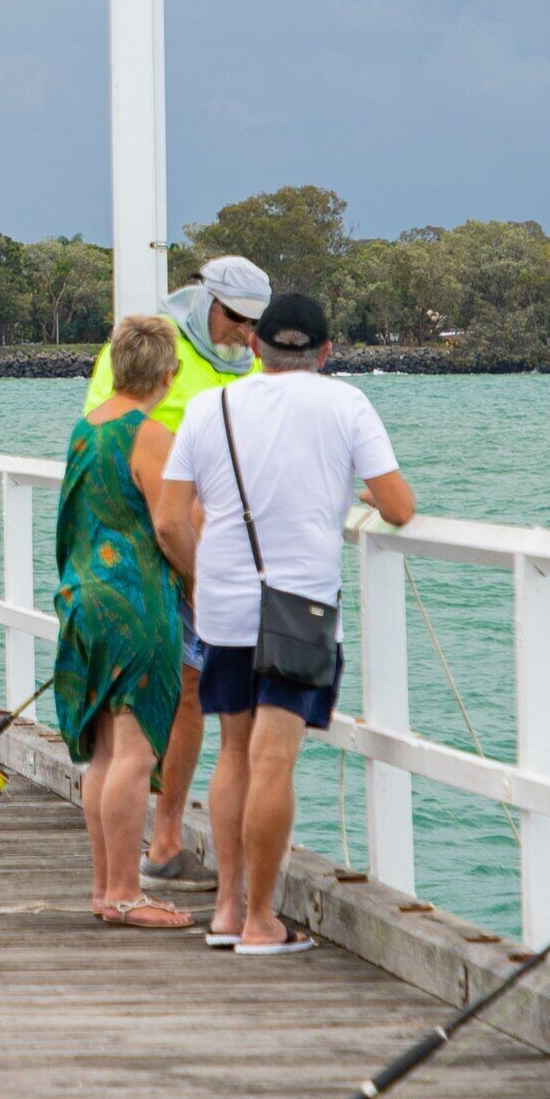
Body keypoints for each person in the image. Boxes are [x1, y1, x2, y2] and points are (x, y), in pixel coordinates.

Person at [154, 290, 416, 953]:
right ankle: (261, 921)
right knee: (275, 763)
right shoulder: (346, 403)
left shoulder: (211, 406)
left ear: (253, 347)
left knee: (233, 753)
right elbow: (399, 507)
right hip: (301, 608)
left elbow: (169, 513)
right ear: (326, 352)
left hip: (222, 607)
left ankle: (224, 909)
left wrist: (200, 571)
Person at [80, 254, 274, 887]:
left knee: (191, 688)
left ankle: (163, 840)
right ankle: (123, 882)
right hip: (158, 546)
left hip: (219, 546)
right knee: (131, 723)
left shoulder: (253, 359)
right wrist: (181, 549)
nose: (246, 335)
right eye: (237, 319)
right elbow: (105, 435)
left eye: (256, 325)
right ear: (206, 300)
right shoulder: (147, 343)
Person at [57, 314, 194, 929]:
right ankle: (125, 893)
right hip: (135, 603)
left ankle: (104, 888)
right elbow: (169, 525)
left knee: (108, 753)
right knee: (136, 752)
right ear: (166, 375)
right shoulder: (151, 436)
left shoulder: (85, 429)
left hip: (85, 598)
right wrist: (200, 583)